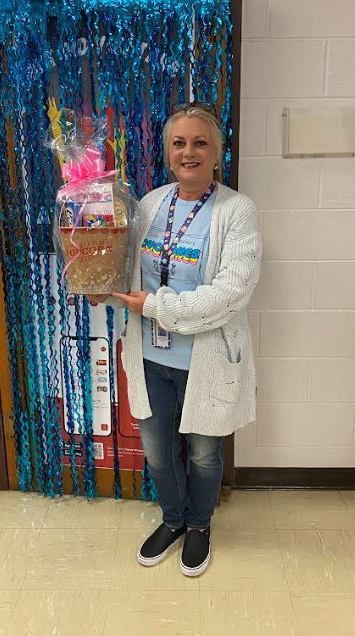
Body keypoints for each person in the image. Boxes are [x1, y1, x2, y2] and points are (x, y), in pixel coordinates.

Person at [89, 103, 262, 577]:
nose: (189, 152)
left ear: (217, 152)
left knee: (204, 454)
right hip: (148, 356)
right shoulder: (149, 204)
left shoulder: (237, 211)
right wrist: (100, 282)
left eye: (200, 143)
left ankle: (199, 526)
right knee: (159, 453)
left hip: (206, 360)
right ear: (167, 152)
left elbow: (231, 294)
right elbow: (129, 270)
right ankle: (173, 520)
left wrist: (155, 307)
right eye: (179, 143)